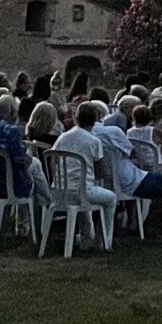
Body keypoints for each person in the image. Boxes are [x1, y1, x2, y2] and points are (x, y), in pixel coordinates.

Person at [49, 102, 121, 244]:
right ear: (95, 120)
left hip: (59, 189)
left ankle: (86, 237)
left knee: (84, 192)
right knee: (111, 198)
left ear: (76, 118)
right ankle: (104, 240)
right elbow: (100, 171)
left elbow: (53, 158)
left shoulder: (63, 136)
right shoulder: (94, 141)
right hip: (81, 191)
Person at [94, 101, 162, 211]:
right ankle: (153, 221)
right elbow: (133, 153)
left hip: (102, 182)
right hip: (129, 179)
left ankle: (134, 222)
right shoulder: (113, 132)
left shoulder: (81, 137)